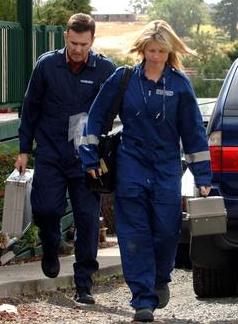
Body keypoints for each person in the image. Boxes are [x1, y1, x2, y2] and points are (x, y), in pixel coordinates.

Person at [79, 20, 212, 322]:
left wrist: (203, 176)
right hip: (131, 166)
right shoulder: (123, 79)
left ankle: (160, 278)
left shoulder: (179, 85)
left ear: (170, 51)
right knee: (133, 233)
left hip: (166, 167)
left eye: (161, 51)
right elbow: (96, 119)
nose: (155, 57)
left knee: (167, 230)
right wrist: (89, 158)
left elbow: (193, 132)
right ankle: (142, 299)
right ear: (142, 50)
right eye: (150, 50)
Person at [14, 13, 116, 305]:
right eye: (73, 42)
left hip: (87, 161)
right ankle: (50, 245)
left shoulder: (105, 70)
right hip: (50, 153)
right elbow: (30, 107)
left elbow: (114, 111)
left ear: (92, 41)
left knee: (87, 220)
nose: (78, 49)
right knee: (46, 209)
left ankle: (84, 283)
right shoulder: (47, 65)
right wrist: (23, 150)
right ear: (65, 37)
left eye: (84, 44)